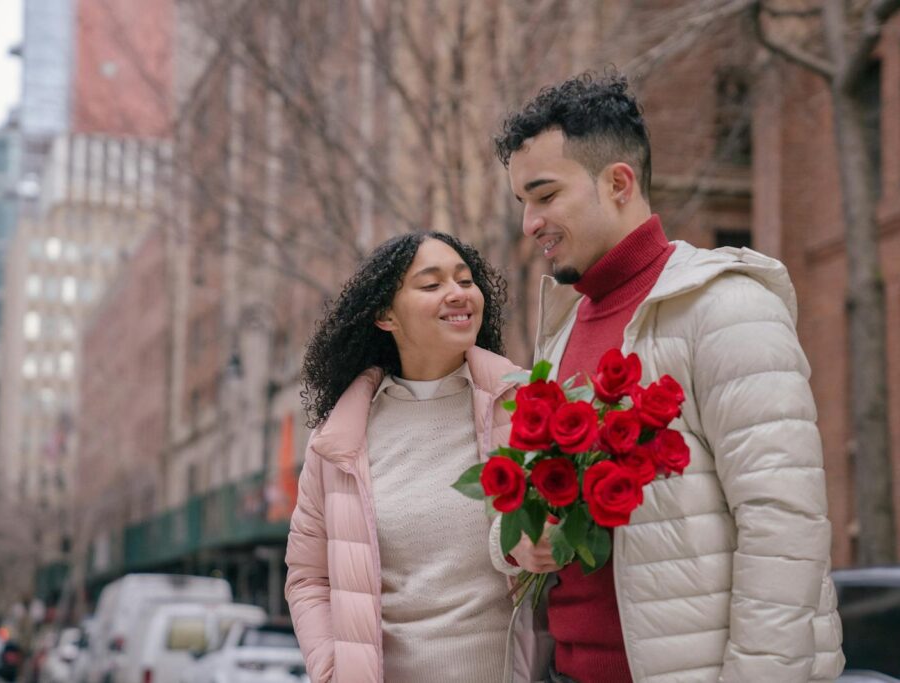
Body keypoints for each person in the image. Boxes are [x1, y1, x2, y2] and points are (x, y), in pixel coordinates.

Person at [492, 72, 845, 682]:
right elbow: (525, 498)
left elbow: (784, 526)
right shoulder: (563, 326)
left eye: (544, 196)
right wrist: (519, 538)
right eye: (523, 202)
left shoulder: (726, 307)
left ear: (619, 183)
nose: (529, 223)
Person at [284, 232, 545, 682]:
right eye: (431, 285)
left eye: (465, 280)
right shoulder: (338, 442)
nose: (457, 294)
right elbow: (309, 578)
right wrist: (332, 669)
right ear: (386, 315)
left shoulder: (524, 404)